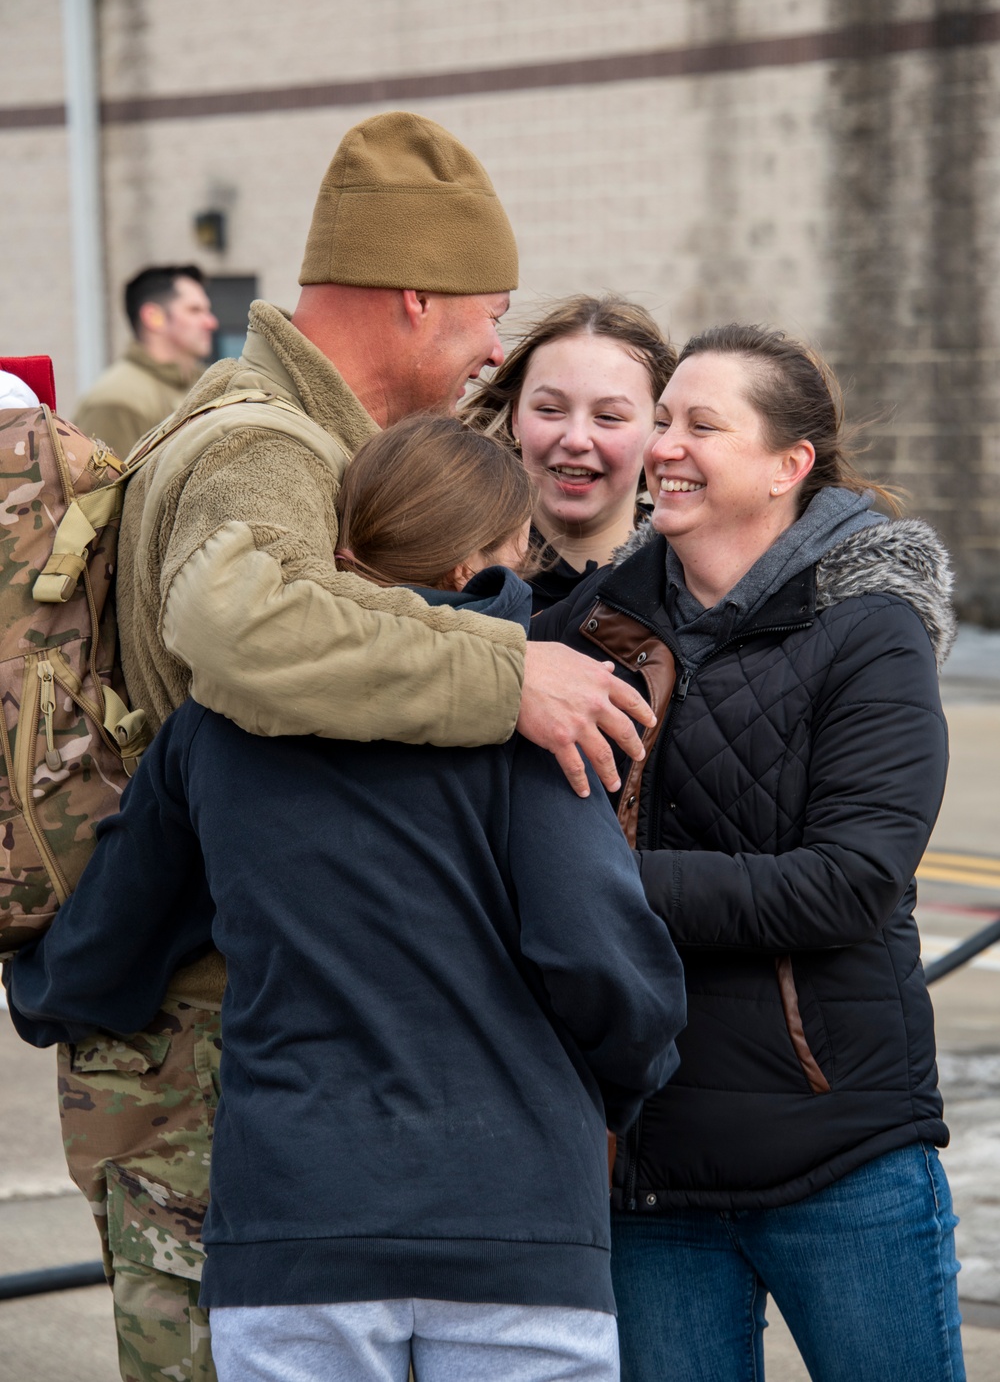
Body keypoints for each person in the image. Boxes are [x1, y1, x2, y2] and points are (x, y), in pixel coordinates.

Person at [56, 111, 655, 1382]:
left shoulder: (283, 430)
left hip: (244, 1043)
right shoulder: (263, 443)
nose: (498, 346)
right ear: (414, 297)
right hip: (214, 1055)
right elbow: (240, 627)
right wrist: (509, 668)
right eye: (490, 313)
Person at [9, 417, 687, 1382]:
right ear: (474, 566)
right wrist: (612, 1088)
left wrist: (38, 992)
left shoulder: (219, 726)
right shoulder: (536, 717)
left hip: (294, 1226)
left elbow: (111, 942)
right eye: (515, 552)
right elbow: (602, 962)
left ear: (343, 550)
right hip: (515, 1221)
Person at [536, 322, 963, 1382]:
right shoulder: (593, 629)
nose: (664, 446)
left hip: (840, 1154)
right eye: (663, 420)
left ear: (787, 466)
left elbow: (849, 884)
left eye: (701, 425)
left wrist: (598, 888)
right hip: (647, 1160)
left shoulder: (868, 629)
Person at [462, 295, 676, 610]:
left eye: (608, 417)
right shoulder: (454, 573)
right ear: (516, 419)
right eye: (550, 410)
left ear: (658, 430)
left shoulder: (698, 579)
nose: (576, 440)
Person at [74, 265, 219, 456]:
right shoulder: (117, 401)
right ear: (153, 317)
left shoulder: (208, 385)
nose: (211, 323)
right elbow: (101, 485)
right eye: (194, 310)